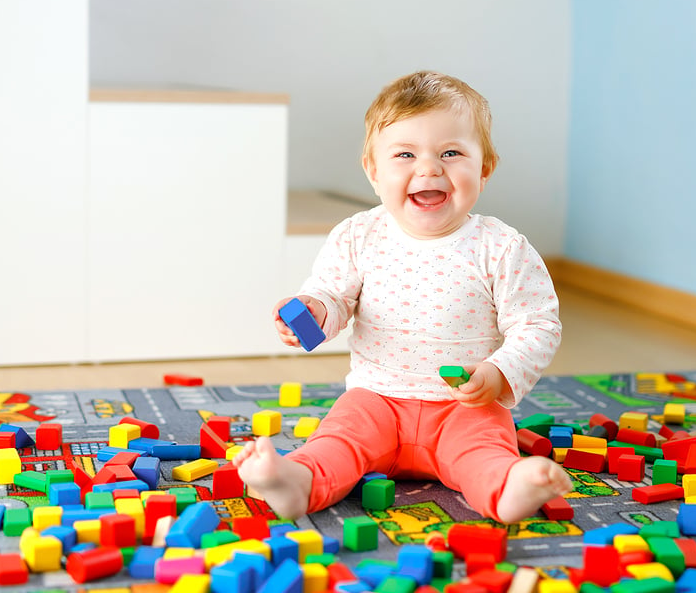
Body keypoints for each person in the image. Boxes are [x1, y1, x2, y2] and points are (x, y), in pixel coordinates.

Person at [233, 70, 572, 523]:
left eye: (451, 153)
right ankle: (298, 482)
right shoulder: (358, 235)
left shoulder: (502, 247)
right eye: (405, 154)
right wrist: (313, 310)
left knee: (483, 450)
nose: (429, 168)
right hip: (376, 397)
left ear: (484, 169)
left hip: (463, 402)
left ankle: (509, 487)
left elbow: (537, 323)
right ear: (374, 171)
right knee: (338, 441)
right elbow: (334, 297)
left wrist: (498, 372)